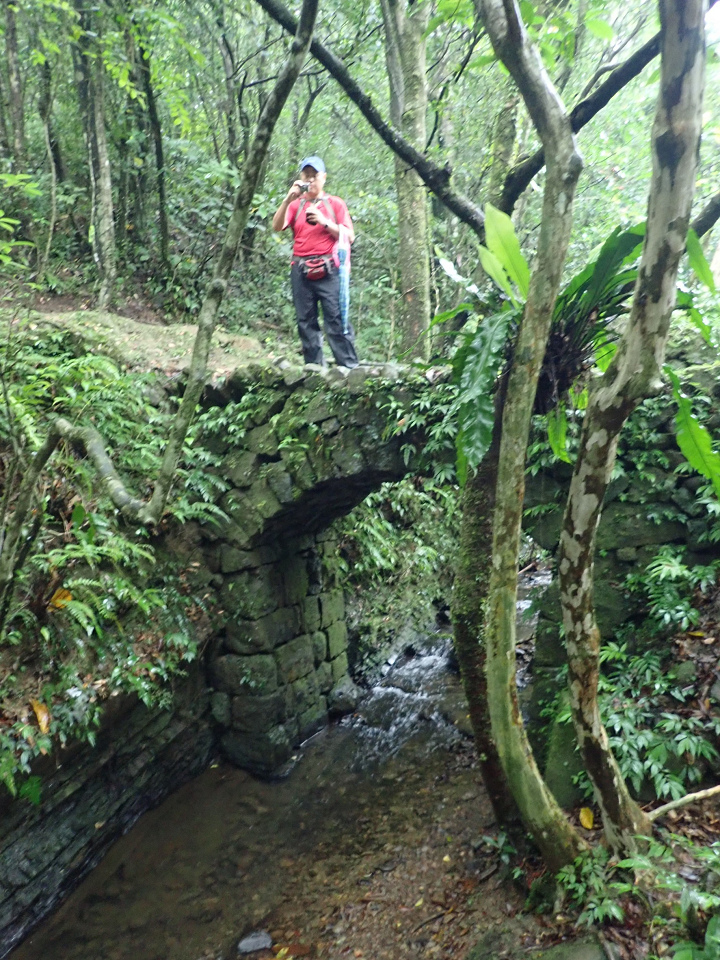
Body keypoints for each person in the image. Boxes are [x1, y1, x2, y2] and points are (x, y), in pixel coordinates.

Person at [272, 156, 359, 368]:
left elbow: (349, 236)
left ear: (324, 177)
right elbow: (276, 226)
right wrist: (288, 199)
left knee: (336, 319)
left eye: (315, 175)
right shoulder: (295, 205)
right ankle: (314, 371)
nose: (310, 179)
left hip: (330, 269)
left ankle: (348, 368)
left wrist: (324, 222)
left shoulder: (335, 204)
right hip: (300, 269)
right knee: (305, 322)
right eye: (306, 175)